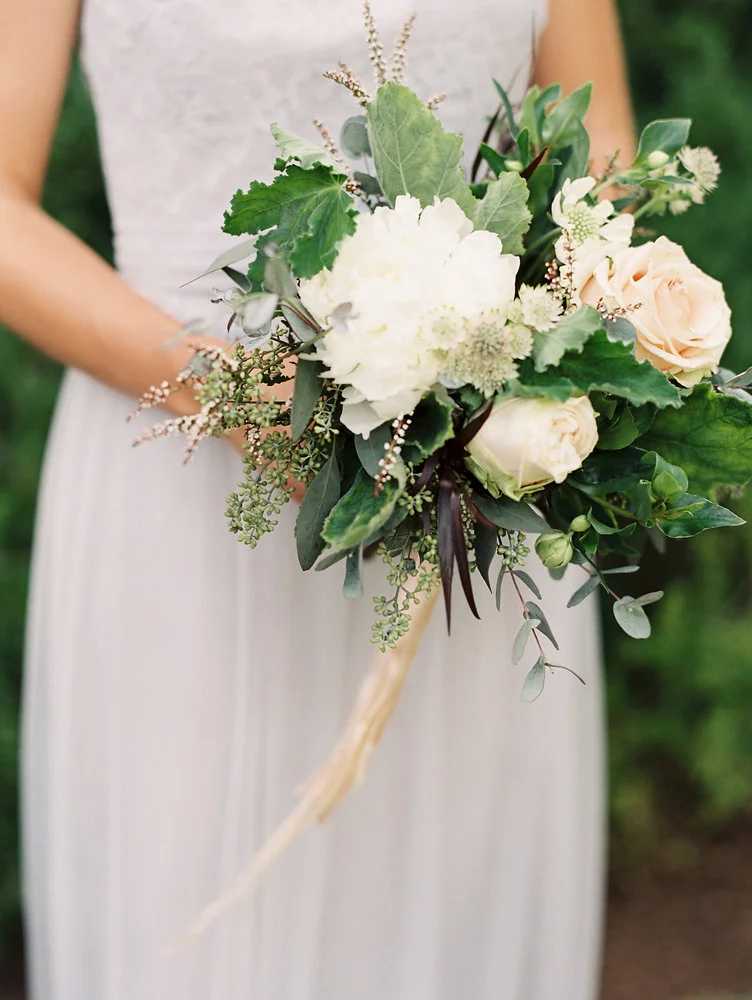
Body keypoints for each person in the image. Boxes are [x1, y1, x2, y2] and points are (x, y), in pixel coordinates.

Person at [0, 0, 635, 997]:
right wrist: (218, 388)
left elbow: (602, 151)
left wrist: (522, 345)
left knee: (445, 910)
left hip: (466, 508)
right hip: (179, 486)